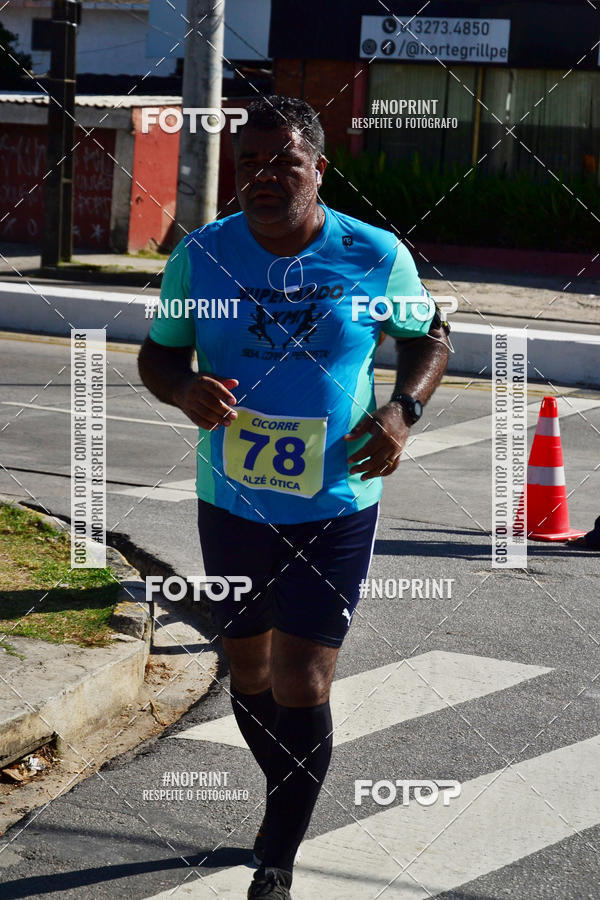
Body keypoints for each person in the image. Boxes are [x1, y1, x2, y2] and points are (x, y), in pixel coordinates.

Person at [138, 95, 449, 899]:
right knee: (247, 670)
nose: (265, 178)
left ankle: (275, 859)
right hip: (232, 501)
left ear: (319, 169)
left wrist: (401, 410)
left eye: (286, 163)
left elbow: (427, 338)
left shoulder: (374, 255)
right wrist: (182, 391)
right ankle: (291, 785)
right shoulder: (202, 255)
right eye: (251, 163)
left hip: (336, 501)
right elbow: (157, 353)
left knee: (302, 680)